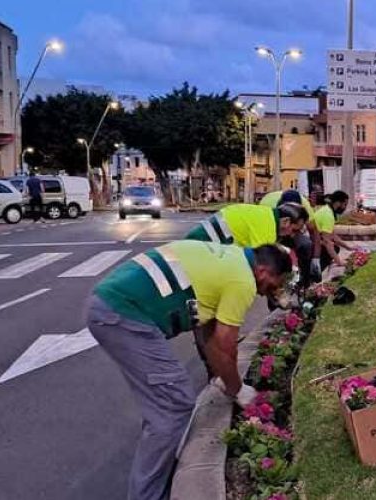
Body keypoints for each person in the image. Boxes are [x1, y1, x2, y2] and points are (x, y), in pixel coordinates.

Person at [85, 242, 293, 500]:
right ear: (263, 271)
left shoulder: (230, 257)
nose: (273, 291)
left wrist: (224, 381)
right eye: (276, 282)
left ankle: (156, 469)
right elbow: (225, 345)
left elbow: (209, 335)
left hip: (111, 303)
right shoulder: (243, 281)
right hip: (123, 312)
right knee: (174, 405)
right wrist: (239, 390)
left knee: (163, 406)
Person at [183, 203, 309, 252]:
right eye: (294, 230)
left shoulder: (266, 214)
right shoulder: (268, 227)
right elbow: (262, 262)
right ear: (286, 221)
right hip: (204, 243)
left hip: (205, 239)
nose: (292, 235)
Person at [260, 190, 323, 283]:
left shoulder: (305, 207)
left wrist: (316, 259)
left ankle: (304, 280)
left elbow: (314, 233)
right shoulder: (268, 206)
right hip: (271, 232)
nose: (290, 234)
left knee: (306, 244)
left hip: (285, 230)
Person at [313, 191, 355, 272]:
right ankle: (318, 272)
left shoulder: (327, 210)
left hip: (314, 240)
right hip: (312, 245)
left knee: (335, 248)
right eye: (345, 204)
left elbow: (333, 235)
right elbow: (327, 241)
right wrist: (339, 261)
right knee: (331, 248)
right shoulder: (328, 215)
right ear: (338, 203)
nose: (345, 208)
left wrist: (348, 247)